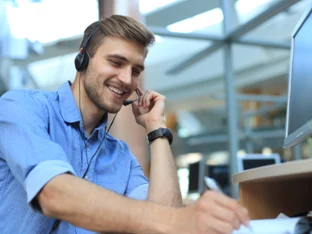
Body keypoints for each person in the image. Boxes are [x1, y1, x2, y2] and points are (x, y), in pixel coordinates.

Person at [0, 15, 250, 234]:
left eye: (136, 70)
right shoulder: (22, 108)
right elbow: (52, 193)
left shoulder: (121, 156)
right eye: (116, 62)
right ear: (82, 57)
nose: (126, 79)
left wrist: (156, 130)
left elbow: (162, 222)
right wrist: (179, 220)